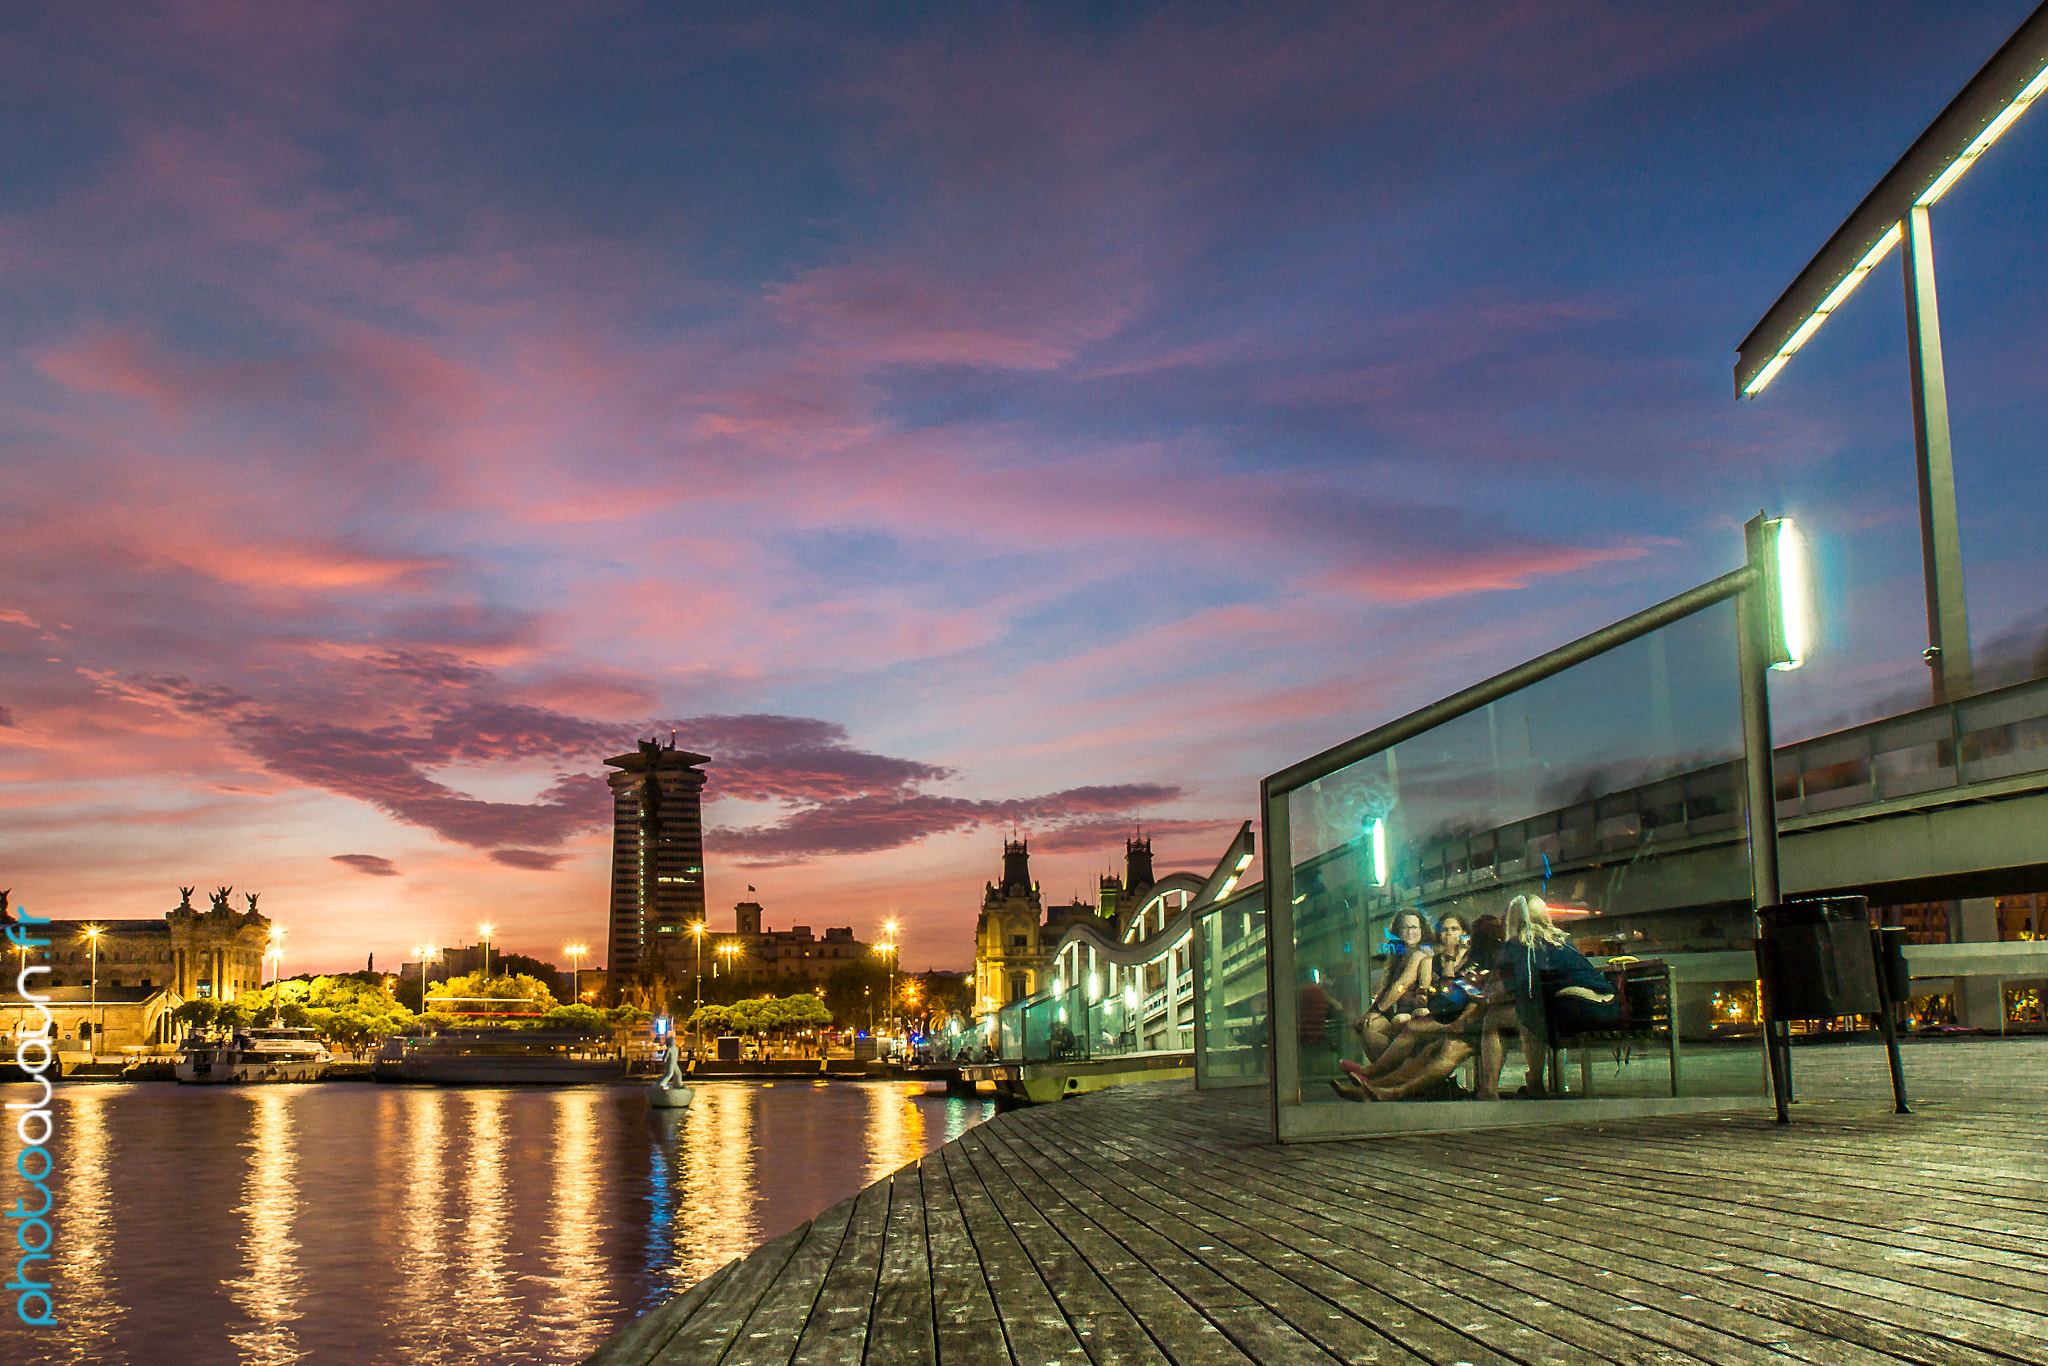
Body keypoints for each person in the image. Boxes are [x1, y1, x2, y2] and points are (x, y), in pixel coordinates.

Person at [1486, 893, 1620, 1098]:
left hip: (1576, 1009)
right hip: (1609, 1008)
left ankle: (1498, 1088)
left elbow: (1518, 988)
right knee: (1535, 1008)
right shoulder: (1562, 940)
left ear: (1512, 919)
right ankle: (1533, 1082)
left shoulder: (1519, 944)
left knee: (1508, 1015)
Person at [1357, 910, 1433, 1062]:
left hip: (1416, 1013)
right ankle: (1385, 1071)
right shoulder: (1398, 957)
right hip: (1400, 1012)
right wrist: (1370, 1012)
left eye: (1414, 927)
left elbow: (1402, 984)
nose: (1410, 932)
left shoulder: (1422, 954)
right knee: (1364, 1025)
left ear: (1421, 930)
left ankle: (1388, 1071)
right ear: (1398, 931)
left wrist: (1378, 1010)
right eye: (1405, 927)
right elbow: (1387, 988)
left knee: (1379, 1023)